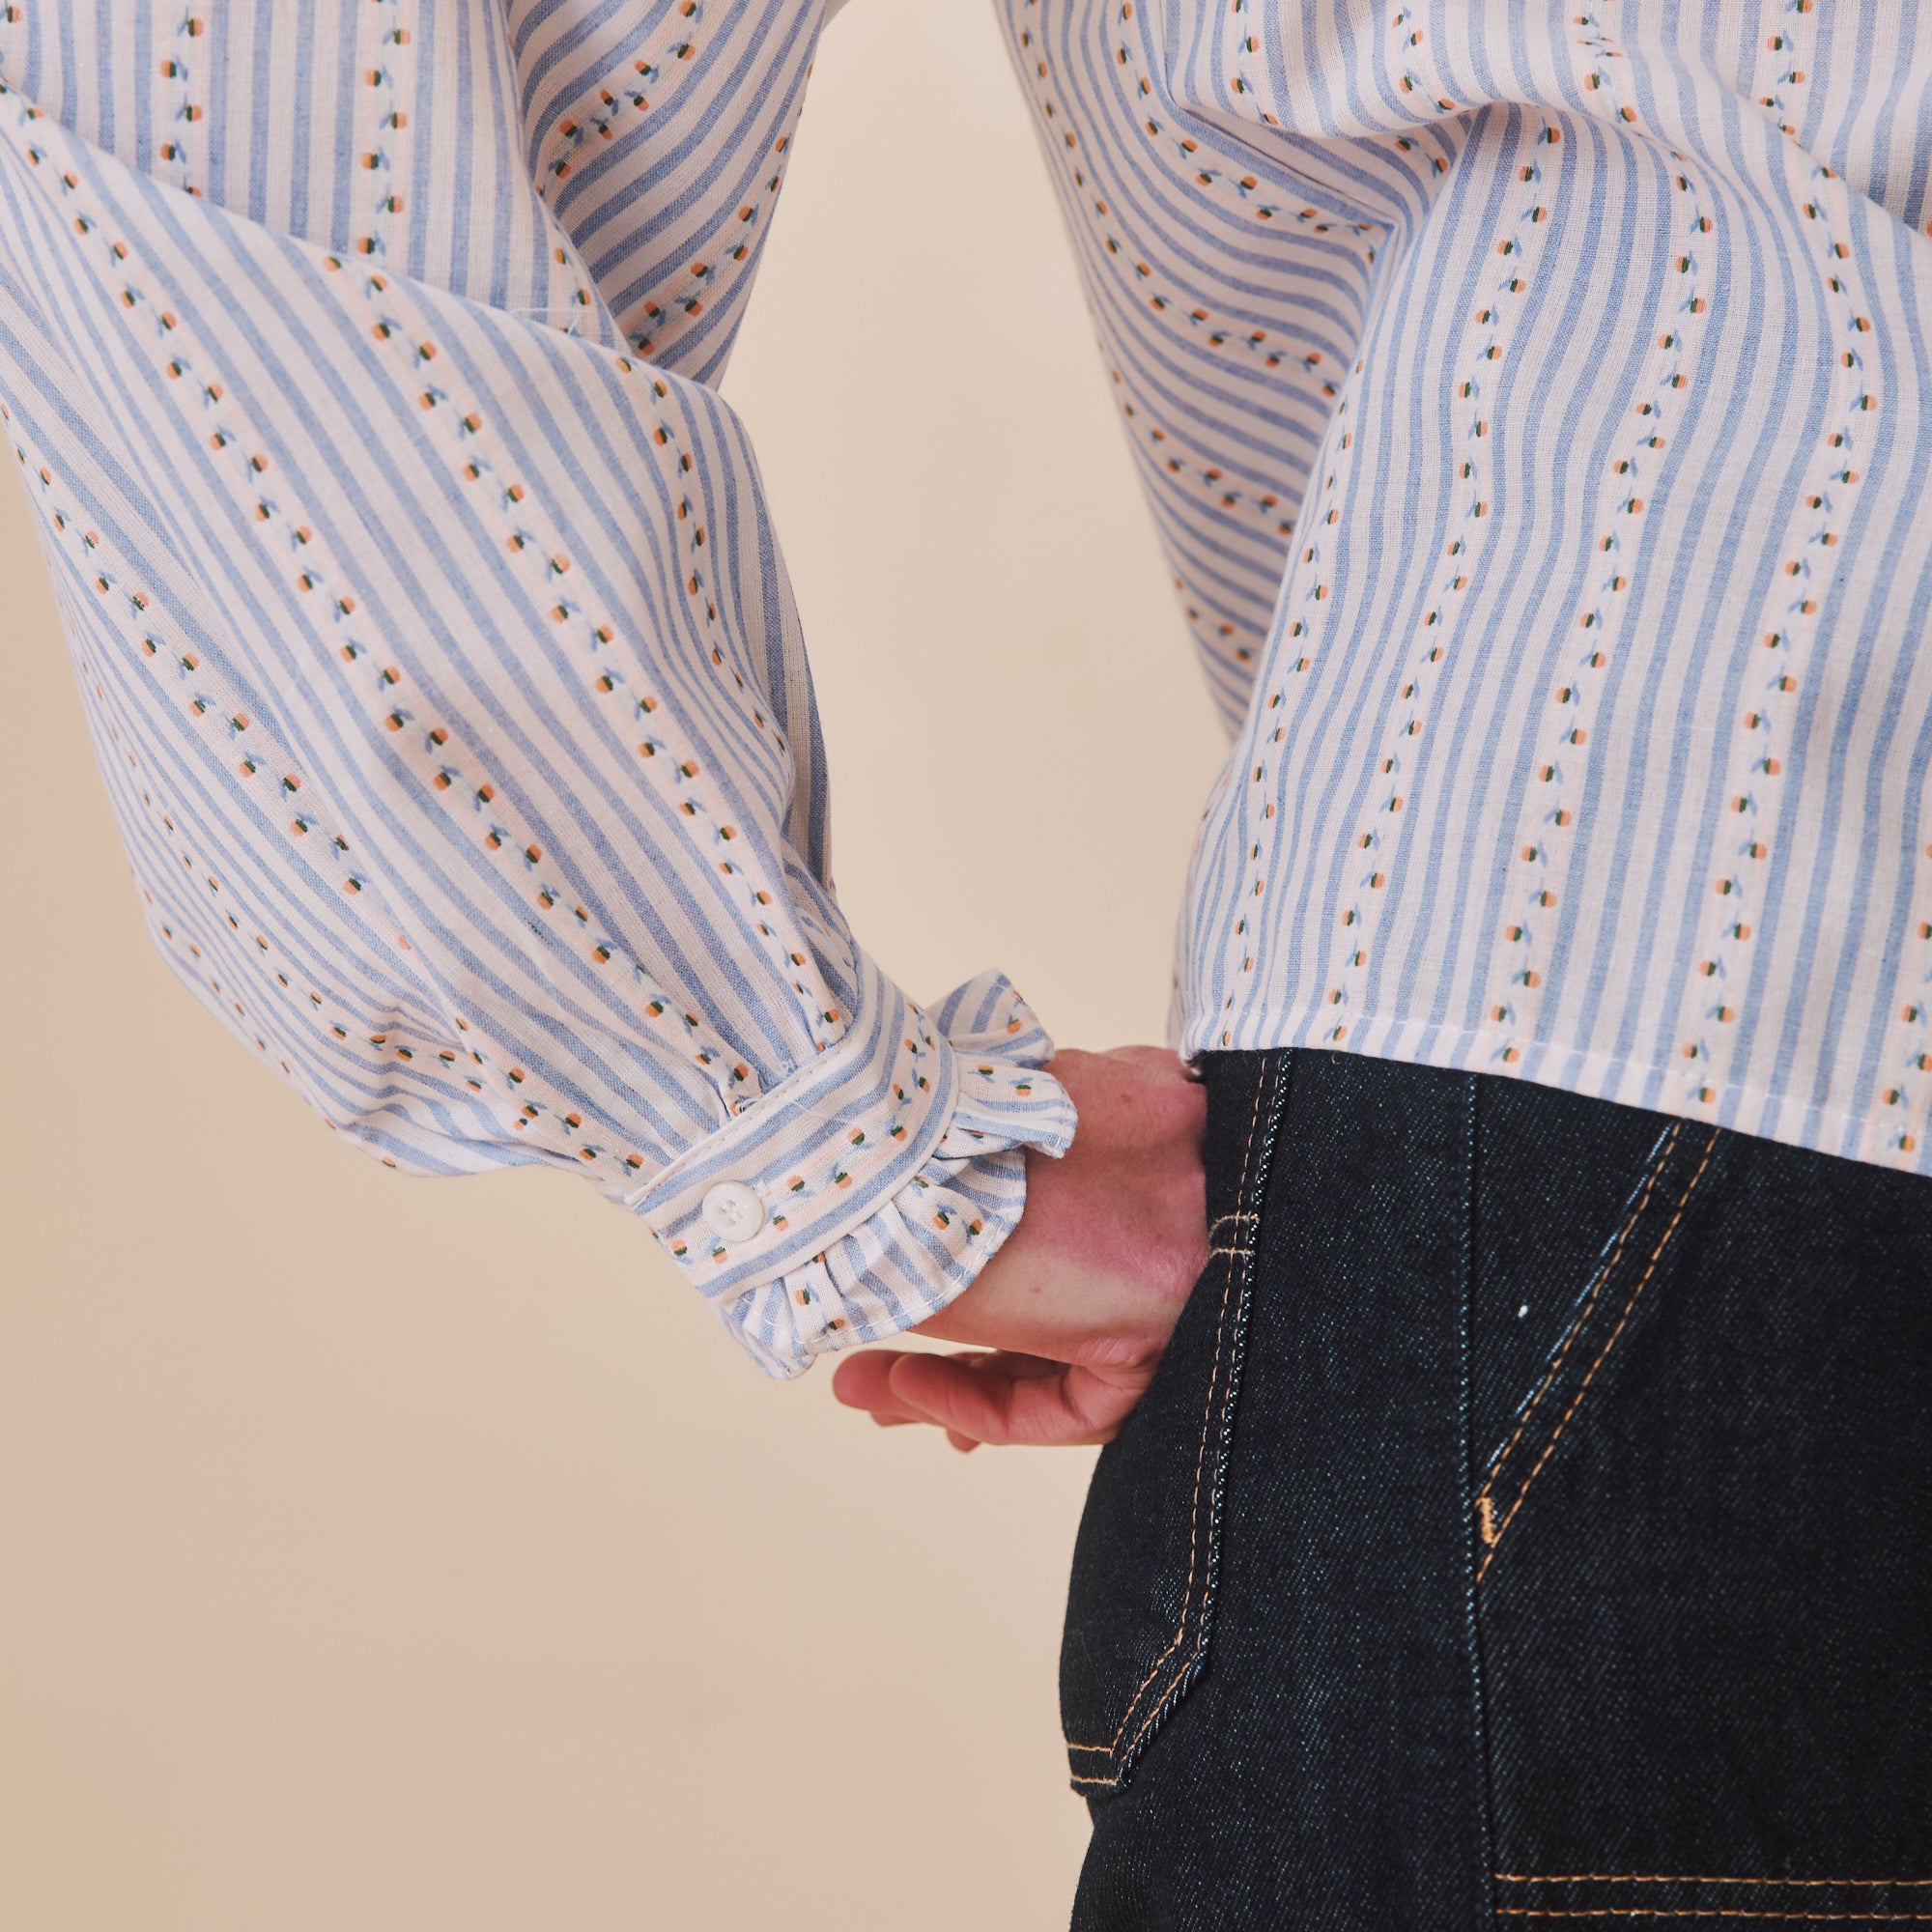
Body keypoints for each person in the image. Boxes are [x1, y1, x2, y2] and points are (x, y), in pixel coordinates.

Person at [1, 1, 1926, 1925]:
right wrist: (805, 1122)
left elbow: (219, 84)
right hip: (1709, 1019)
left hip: (1677, 977)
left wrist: (817, 1135)